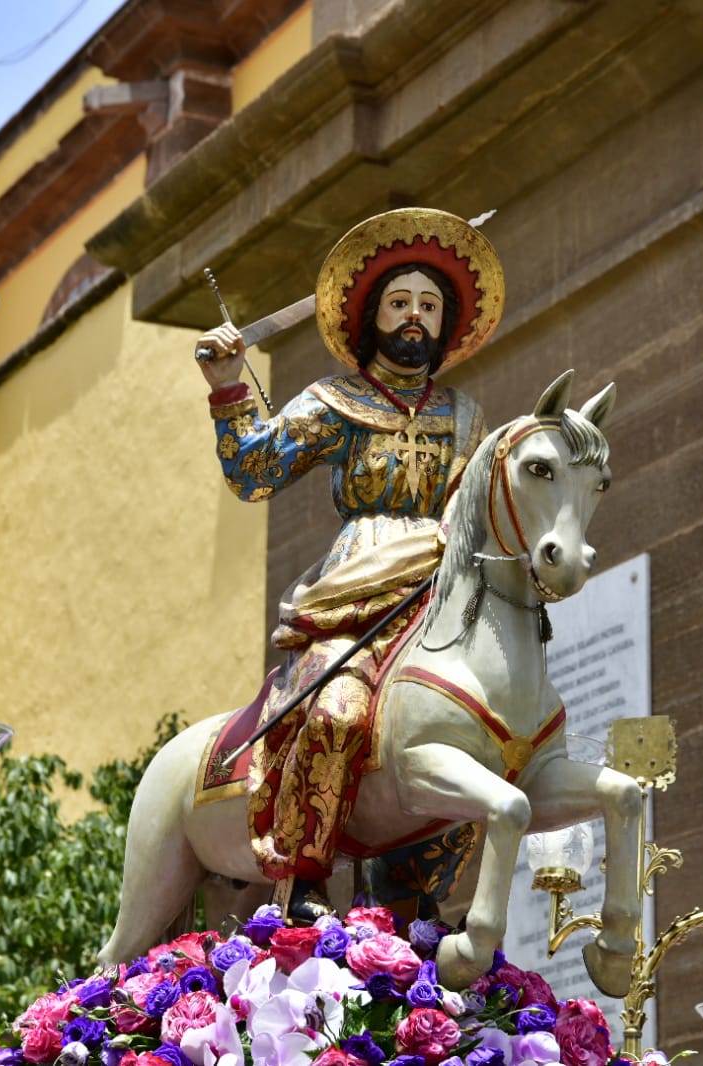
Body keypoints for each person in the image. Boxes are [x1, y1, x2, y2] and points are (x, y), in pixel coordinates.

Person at [196, 208, 504, 921]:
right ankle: (303, 877)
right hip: (355, 583)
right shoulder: (335, 402)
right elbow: (253, 473)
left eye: (428, 305)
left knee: (476, 730)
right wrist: (225, 385)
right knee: (335, 711)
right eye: (400, 302)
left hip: (440, 583)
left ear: (447, 322)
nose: (414, 317)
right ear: (372, 317)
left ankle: (416, 896)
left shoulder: (465, 414)